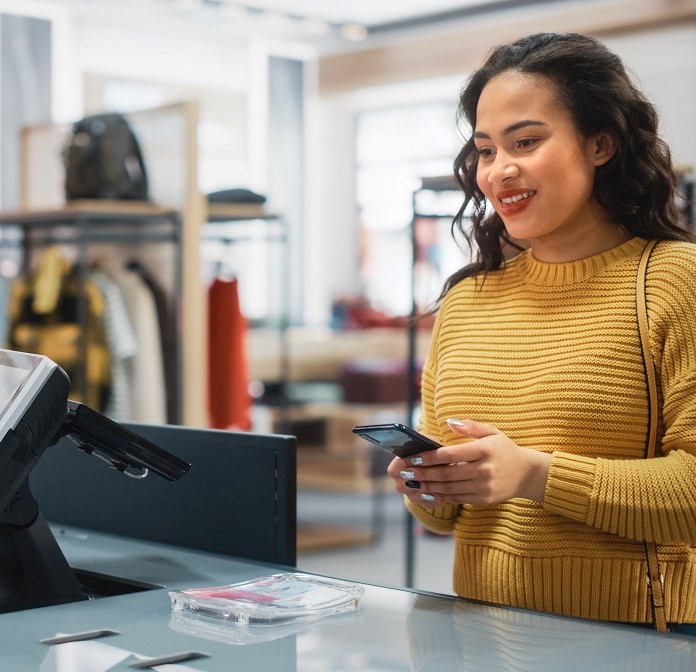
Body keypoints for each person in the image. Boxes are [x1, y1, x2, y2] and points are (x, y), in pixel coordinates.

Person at [387, 32, 696, 632]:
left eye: (525, 141)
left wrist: (534, 473)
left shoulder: (674, 281)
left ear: (600, 143)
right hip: (480, 633)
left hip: (643, 641)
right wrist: (427, 486)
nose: (500, 170)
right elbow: (447, 520)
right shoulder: (468, 299)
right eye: (485, 150)